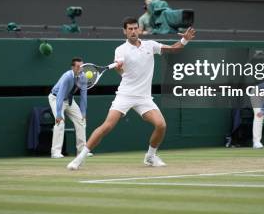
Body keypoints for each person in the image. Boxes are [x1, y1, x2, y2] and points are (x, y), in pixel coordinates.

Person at [67, 18, 196, 170]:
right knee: (107, 126)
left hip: (144, 97)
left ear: (139, 29)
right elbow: (119, 67)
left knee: (161, 125)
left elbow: (173, 49)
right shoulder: (121, 49)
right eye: (130, 29)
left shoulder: (151, 45)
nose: (133, 31)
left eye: (135, 28)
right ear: (125, 31)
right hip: (126, 94)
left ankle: (150, 156)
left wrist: (184, 40)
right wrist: (119, 67)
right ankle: (80, 158)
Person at [48, 58, 89, 159]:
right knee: (60, 122)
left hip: (70, 100)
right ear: (73, 67)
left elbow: (84, 96)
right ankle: (56, 152)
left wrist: (83, 112)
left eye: (82, 66)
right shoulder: (67, 77)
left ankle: (82, 151)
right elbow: (60, 96)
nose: (80, 68)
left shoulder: (83, 77)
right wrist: (58, 114)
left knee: (81, 121)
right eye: (78, 66)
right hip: (56, 98)